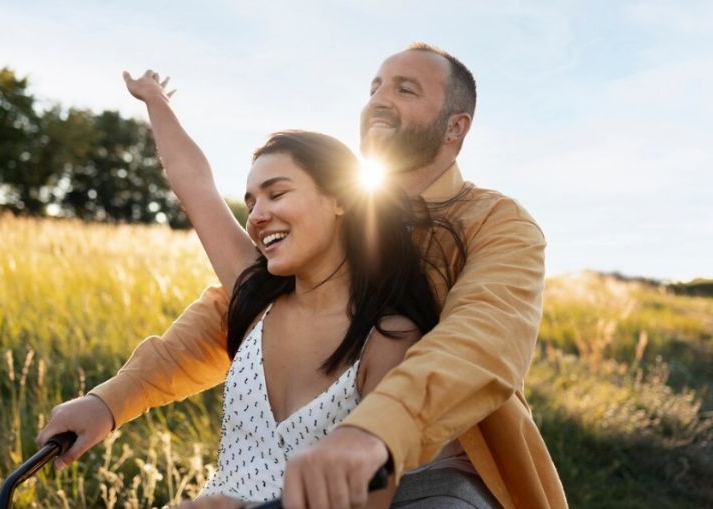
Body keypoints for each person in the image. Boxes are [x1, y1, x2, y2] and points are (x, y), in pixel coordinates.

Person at [38, 43, 567, 508]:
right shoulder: (311, 240)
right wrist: (109, 400)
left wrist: (373, 432)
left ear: (456, 126)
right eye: (374, 86)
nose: (379, 100)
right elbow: (229, 315)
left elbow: (481, 342)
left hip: (433, 480)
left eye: (405, 89)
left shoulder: (498, 225)